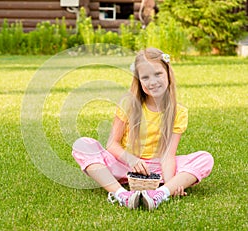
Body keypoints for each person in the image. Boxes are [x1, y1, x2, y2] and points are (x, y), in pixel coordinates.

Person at [72, 48, 214, 210]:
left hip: (157, 169)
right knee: (82, 145)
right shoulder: (128, 105)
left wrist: (170, 183)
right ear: (138, 81)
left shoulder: (178, 112)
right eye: (145, 77)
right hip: (124, 165)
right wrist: (132, 160)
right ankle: (122, 195)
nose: (152, 82)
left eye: (158, 74)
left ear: (168, 73)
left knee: (205, 158)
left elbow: (168, 155)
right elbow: (112, 144)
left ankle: (160, 194)